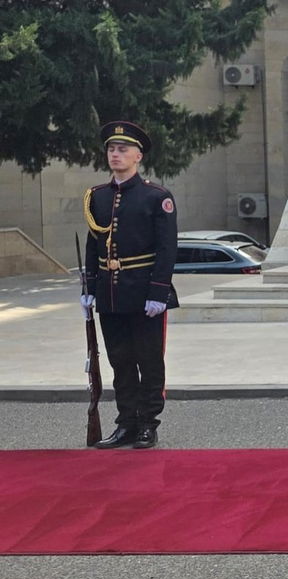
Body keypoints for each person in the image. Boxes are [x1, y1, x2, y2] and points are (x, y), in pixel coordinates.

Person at [81, 121, 178, 450]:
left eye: (123, 149)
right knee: (119, 359)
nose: (115, 154)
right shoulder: (98, 197)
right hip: (110, 292)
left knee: (148, 359)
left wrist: (158, 291)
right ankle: (126, 422)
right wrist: (90, 287)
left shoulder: (157, 197)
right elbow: (94, 246)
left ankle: (148, 424)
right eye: (111, 149)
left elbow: (167, 249)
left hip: (144, 290)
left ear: (138, 156)